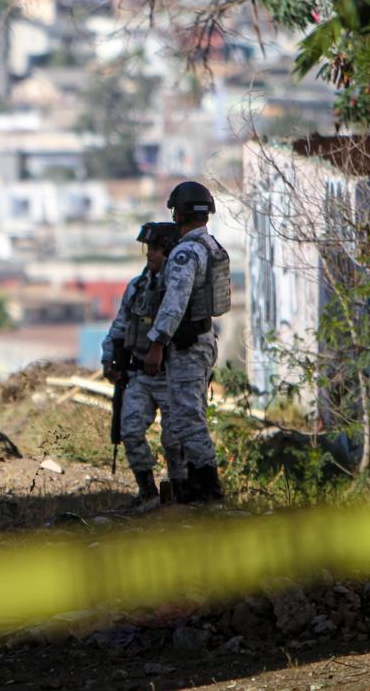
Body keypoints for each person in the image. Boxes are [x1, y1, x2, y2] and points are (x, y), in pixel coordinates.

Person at [144, 181, 232, 503]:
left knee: (187, 418)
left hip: (187, 345)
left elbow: (174, 303)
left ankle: (207, 488)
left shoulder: (185, 252)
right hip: (203, 339)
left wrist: (157, 344)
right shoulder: (210, 245)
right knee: (192, 413)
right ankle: (197, 484)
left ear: (179, 213)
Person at [101, 222, 185, 505]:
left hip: (172, 376)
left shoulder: (179, 289)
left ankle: (180, 493)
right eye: (148, 248)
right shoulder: (137, 287)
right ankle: (147, 490)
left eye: (157, 248)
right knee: (130, 430)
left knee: (174, 440)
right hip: (139, 375)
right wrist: (109, 359)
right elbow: (120, 326)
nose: (150, 253)